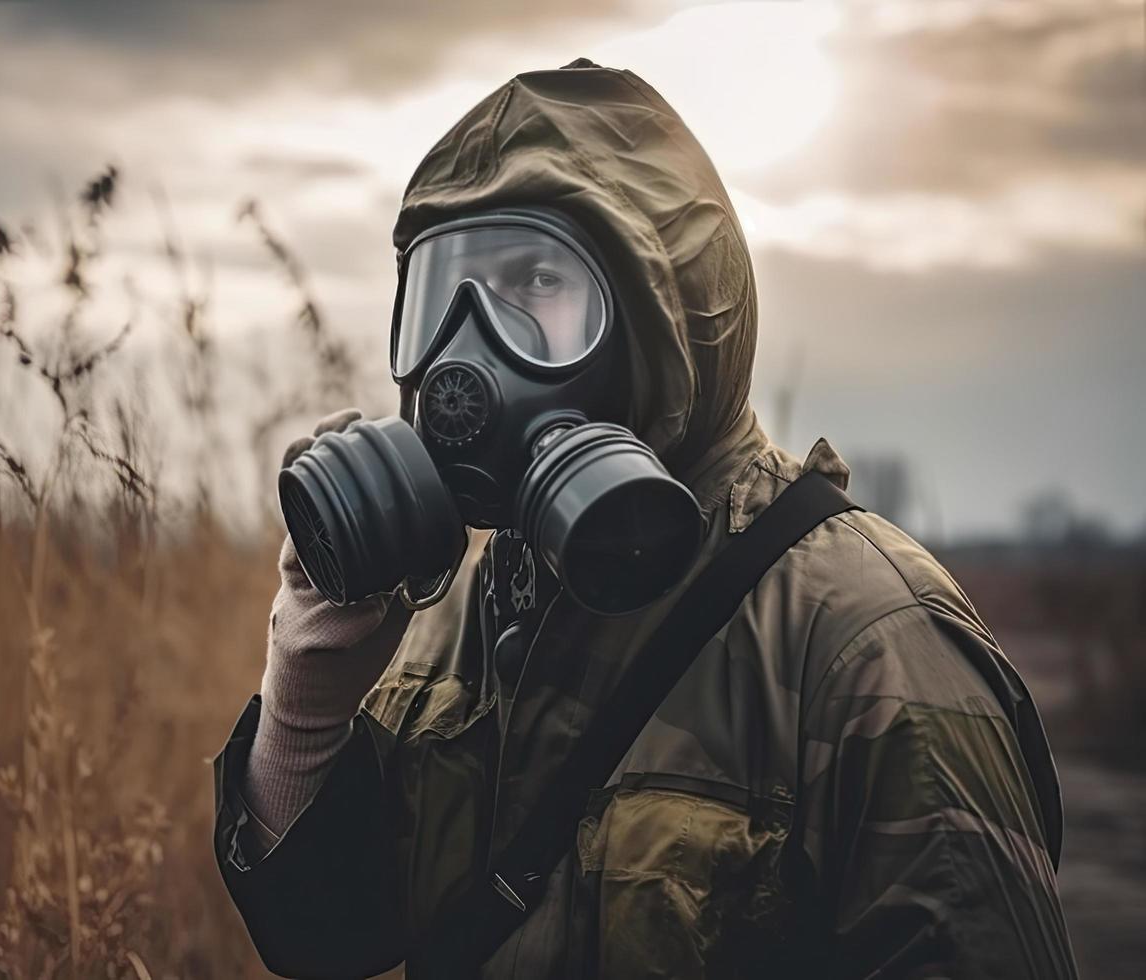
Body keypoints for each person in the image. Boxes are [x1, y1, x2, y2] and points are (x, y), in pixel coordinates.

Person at [213, 60, 1078, 979]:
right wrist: (306, 698)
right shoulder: (463, 609)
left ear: (662, 319)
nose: (466, 348)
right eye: (445, 296)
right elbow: (323, 939)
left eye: (537, 283)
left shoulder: (869, 640)